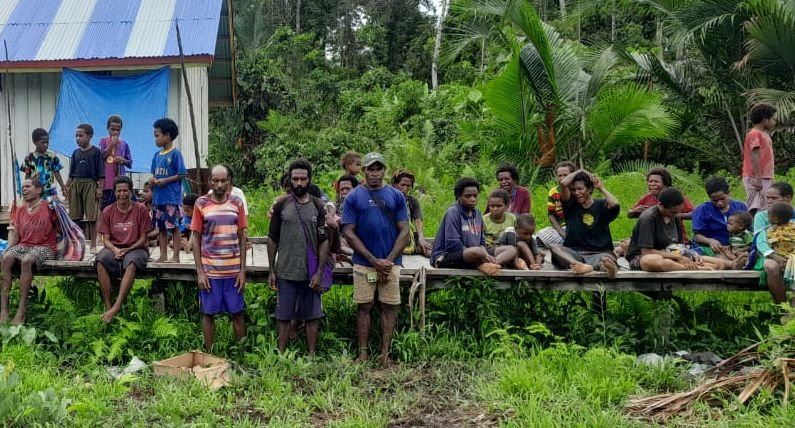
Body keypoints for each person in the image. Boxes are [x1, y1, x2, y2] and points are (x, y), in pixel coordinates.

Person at [341, 152, 409, 365]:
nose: (374, 173)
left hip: (390, 266)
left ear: (384, 170)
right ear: (364, 171)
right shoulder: (353, 197)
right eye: (370, 168)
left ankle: (385, 354)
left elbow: (405, 231)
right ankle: (362, 353)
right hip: (364, 266)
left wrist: (387, 260)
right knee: (365, 306)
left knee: (389, 307)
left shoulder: (396, 196)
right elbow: (349, 232)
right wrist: (373, 260)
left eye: (378, 168)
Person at [268, 159, 330, 355]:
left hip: (310, 272)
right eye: (295, 178)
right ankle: (281, 353)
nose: (299, 183)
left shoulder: (319, 206)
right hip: (286, 270)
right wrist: (272, 269)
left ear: (310, 180)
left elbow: (324, 241)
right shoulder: (281, 205)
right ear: (290, 180)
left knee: (313, 315)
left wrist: (319, 271)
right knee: (283, 315)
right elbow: (272, 238)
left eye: (303, 178)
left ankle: (311, 354)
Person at [191, 165, 248, 352]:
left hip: (233, 272)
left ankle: (241, 354)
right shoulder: (201, 203)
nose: (219, 184)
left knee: (237, 313)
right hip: (210, 272)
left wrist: (242, 270)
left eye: (223, 180)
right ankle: (209, 354)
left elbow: (242, 237)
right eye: (215, 180)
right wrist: (200, 272)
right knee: (208, 314)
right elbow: (196, 238)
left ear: (229, 181)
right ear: (210, 181)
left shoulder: (237, 203)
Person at [626, 188, 730, 272]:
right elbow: (646, 252)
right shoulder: (648, 218)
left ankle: (693, 266)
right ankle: (693, 269)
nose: (676, 215)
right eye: (672, 212)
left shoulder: (675, 216)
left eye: (678, 212)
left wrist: (691, 255)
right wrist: (679, 258)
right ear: (660, 205)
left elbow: (677, 246)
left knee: (718, 264)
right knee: (651, 261)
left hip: (670, 255)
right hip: (644, 257)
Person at [1, 179, 59, 325]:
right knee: (6, 258)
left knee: (27, 261)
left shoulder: (49, 207)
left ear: (39, 190)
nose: (24, 190)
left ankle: (21, 311)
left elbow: (61, 228)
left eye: (28, 186)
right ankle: (4, 310)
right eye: (23, 187)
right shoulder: (20, 210)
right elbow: (16, 235)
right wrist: (8, 249)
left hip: (46, 246)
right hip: (25, 245)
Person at [431, 178, 517, 275]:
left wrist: (485, 253)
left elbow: (481, 241)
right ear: (459, 196)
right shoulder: (453, 212)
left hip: (476, 253)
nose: (472, 199)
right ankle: (480, 265)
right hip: (449, 256)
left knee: (511, 249)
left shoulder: (478, 213)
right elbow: (453, 245)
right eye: (468, 196)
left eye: (475, 196)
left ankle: (493, 263)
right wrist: (481, 254)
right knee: (475, 252)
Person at [95, 176, 152, 323]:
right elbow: (105, 239)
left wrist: (127, 250)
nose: (122, 194)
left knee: (131, 263)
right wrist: (114, 250)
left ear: (131, 191)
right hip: (114, 247)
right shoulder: (108, 211)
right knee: (100, 260)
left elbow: (143, 239)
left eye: (125, 190)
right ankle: (108, 306)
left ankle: (117, 306)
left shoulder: (141, 209)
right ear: (114, 192)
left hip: (136, 247)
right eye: (119, 191)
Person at [548, 169, 619, 277]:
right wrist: (580, 171)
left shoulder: (601, 205)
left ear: (590, 189)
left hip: (599, 252)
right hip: (574, 254)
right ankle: (579, 265)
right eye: (574, 190)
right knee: (554, 247)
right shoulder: (570, 205)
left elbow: (615, 204)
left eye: (580, 189)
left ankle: (607, 269)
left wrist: (601, 188)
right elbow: (563, 184)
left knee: (605, 260)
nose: (577, 193)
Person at [149, 118, 187, 263]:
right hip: (158, 198)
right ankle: (163, 255)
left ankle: (176, 256)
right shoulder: (157, 156)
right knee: (162, 228)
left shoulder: (175, 154)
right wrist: (154, 180)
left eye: (157, 135)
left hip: (171, 198)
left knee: (174, 227)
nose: (155, 139)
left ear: (168, 135)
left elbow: (182, 173)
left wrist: (166, 180)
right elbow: (154, 172)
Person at [627, 167, 695, 244]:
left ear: (666, 184)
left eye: (656, 181)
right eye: (650, 181)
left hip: (675, 239)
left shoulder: (676, 197)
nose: (652, 184)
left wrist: (673, 214)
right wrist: (635, 211)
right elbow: (629, 214)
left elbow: (694, 214)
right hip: (650, 238)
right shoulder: (647, 198)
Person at [65, 124, 104, 253]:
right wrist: (66, 187)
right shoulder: (75, 153)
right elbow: (71, 174)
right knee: (75, 217)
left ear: (90, 136)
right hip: (76, 184)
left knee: (92, 217)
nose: (78, 138)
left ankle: (93, 244)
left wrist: (100, 189)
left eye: (81, 135)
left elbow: (101, 174)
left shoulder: (96, 152)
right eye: (76, 136)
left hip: (90, 184)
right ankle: (76, 244)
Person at [752, 182, 793, 303]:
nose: (769, 201)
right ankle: (783, 308)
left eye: (774, 198)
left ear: (787, 198)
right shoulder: (762, 216)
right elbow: (759, 242)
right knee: (771, 266)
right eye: (767, 198)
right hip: (766, 254)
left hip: (791, 253)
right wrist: (775, 256)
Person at [691, 177, 748, 257]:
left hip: (737, 248)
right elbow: (697, 236)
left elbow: (749, 230)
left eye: (722, 199)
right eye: (715, 200)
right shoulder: (702, 210)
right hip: (712, 249)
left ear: (729, 193)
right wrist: (710, 241)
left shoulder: (741, 207)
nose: (719, 203)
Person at [742, 104, 777, 215]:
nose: (773, 122)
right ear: (764, 119)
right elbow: (754, 156)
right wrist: (758, 177)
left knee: (765, 204)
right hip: (756, 176)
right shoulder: (755, 134)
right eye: (772, 119)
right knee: (754, 206)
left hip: (764, 176)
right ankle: (751, 228)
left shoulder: (764, 134)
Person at [392, 169, 431, 256]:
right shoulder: (387, 199)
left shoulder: (412, 201)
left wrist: (421, 238)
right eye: (402, 185)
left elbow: (418, 220)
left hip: (406, 236)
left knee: (426, 248)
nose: (405, 188)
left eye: (408, 186)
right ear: (395, 184)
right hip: (391, 236)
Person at [537, 161, 576, 247]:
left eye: (565, 175)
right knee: (539, 237)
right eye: (559, 175)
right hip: (560, 228)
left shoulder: (577, 190)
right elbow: (551, 215)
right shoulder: (553, 192)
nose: (562, 178)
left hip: (576, 226)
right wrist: (560, 232)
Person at [20, 128, 65, 200]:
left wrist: (63, 186)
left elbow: (56, 172)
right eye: (43, 142)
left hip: (49, 191)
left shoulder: (52, 157)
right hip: (34, 191)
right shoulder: (29, 158)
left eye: (47, 142)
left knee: (50, 209)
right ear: (35, 142)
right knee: (36, 208)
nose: (46, 145)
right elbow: (27, 175)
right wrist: (26, 189)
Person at [99, 115, 132, 210]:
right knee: (105, 209)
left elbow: (130, 163)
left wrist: (124, 161)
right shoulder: (103, 141)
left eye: (118, 130)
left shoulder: (124, 144)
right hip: (106, 183)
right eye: (112, 129)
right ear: (107, 128)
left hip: (120, 183)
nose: (115, 132)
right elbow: (102, 156)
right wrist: (112, 144)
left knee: (119, 208)